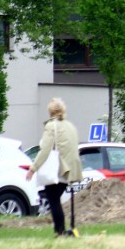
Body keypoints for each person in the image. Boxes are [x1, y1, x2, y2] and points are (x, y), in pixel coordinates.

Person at [26, 97, 82, 237]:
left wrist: (33, 168)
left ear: (51, 111)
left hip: (57, 169)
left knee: (53, 200)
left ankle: (60, 231)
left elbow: (45, 150)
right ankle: (61, 230)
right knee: (55, 199)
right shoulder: (71, 126)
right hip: (69, 170)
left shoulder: (51, 126)